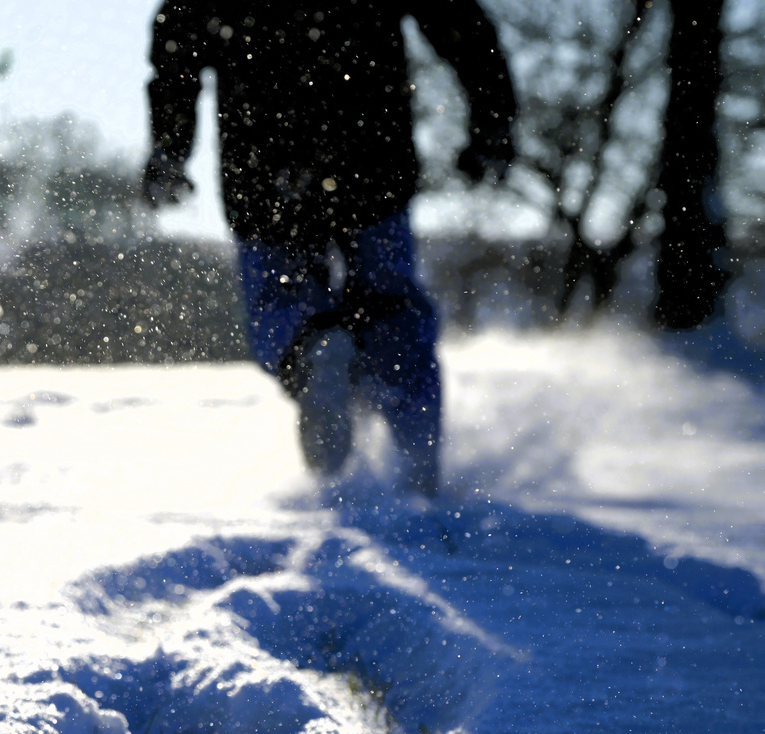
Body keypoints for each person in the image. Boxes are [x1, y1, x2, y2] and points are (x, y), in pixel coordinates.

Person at [142, 1, 516, 497]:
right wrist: (492, 118)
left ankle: (310, 348)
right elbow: (459, 24)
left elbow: (177, 53)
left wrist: (169, 148)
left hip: (263, 159)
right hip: (369, 147)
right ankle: (419, 461)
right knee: (391, 307)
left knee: (279, 298)